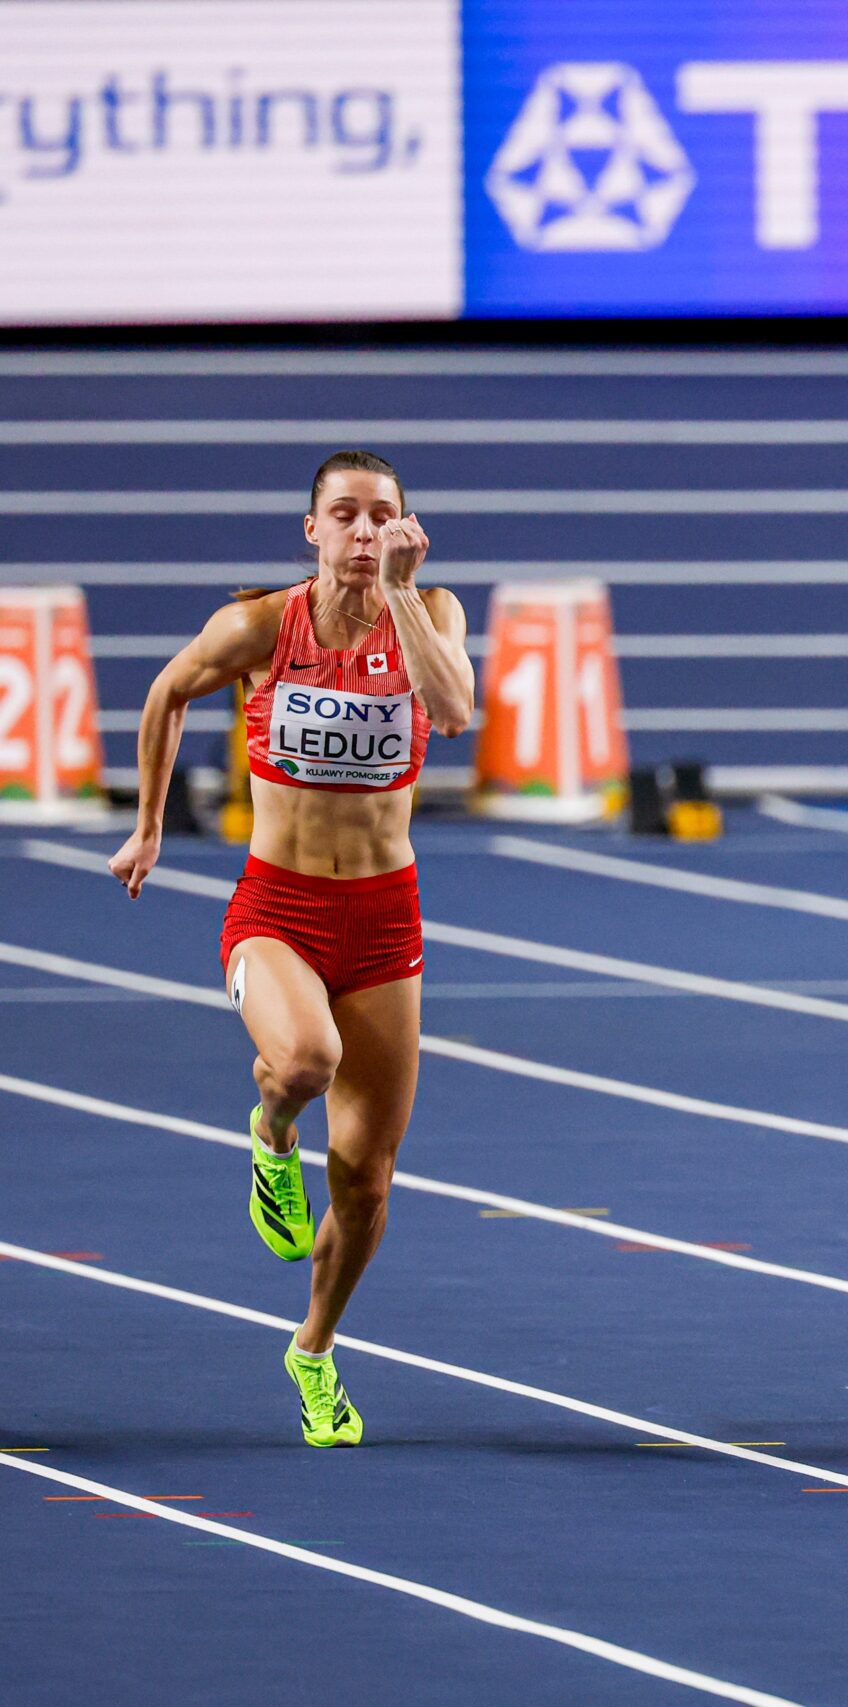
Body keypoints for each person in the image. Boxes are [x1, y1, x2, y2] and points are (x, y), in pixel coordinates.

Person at [108, 450, 474, 1445]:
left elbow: (453, 711)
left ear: (407, 528)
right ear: (309, 529)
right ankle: (271, 1132)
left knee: (367, 1179)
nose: (363, 533)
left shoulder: (432, 613)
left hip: (385, 920)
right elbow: (165, 694)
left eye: (381, 517)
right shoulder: (262, 626)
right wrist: (148, 826)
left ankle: (312, 1350)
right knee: (308, 1060)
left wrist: (398, 597)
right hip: (279, 908)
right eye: (344, 516)